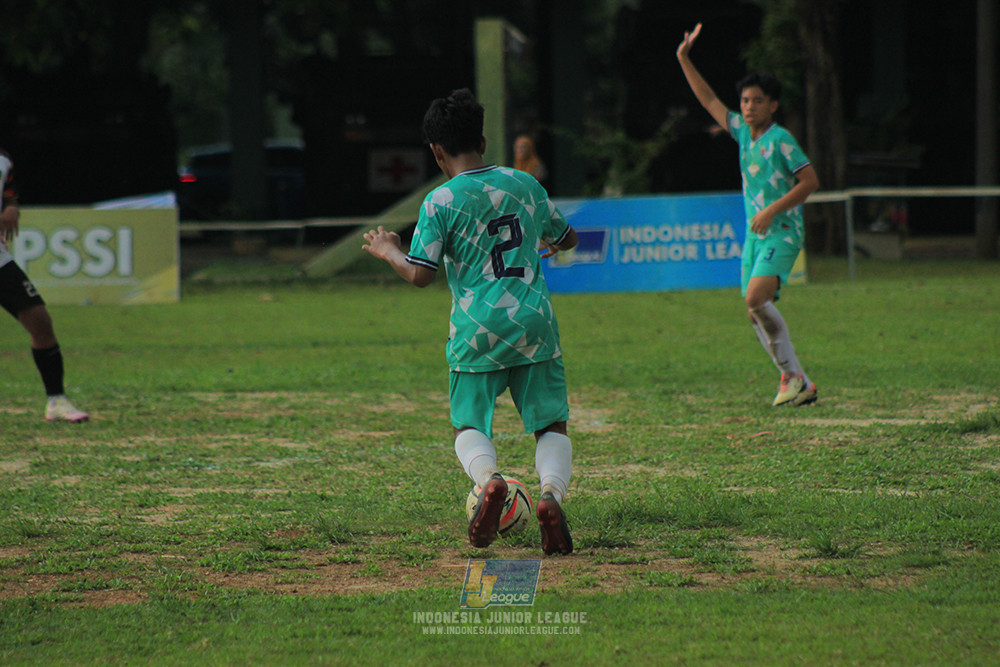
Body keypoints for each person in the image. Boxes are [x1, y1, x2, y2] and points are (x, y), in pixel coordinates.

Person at [362, 89, 577, 555]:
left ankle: (489, 481)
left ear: (437, 152)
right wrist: (550, 245)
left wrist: (388, 250)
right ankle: (549, 497)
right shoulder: (525, 183)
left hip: (477, 329)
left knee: (468, 425)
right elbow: (567, 236)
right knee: (551, 425)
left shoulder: (440, 200)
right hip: (533, 322)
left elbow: (420, 274)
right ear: (482, 138)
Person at [677, 23, 820, 407]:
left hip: (782, 230)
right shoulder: (742, 133)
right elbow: (708, 100)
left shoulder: (781, 139)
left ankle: (793, 377)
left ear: (772, 104)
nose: (748, 106)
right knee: (754, 311)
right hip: (755, 234)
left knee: (757, 299)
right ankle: (796, 379)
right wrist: (683, 58)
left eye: (757, 100)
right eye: (744, 101)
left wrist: (772, 210)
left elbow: (809, 181)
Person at [0, 148, 89, 423]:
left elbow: (9, 189)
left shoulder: (3, 159)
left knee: (39, 321)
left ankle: (57, 401)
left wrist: (12, 207)